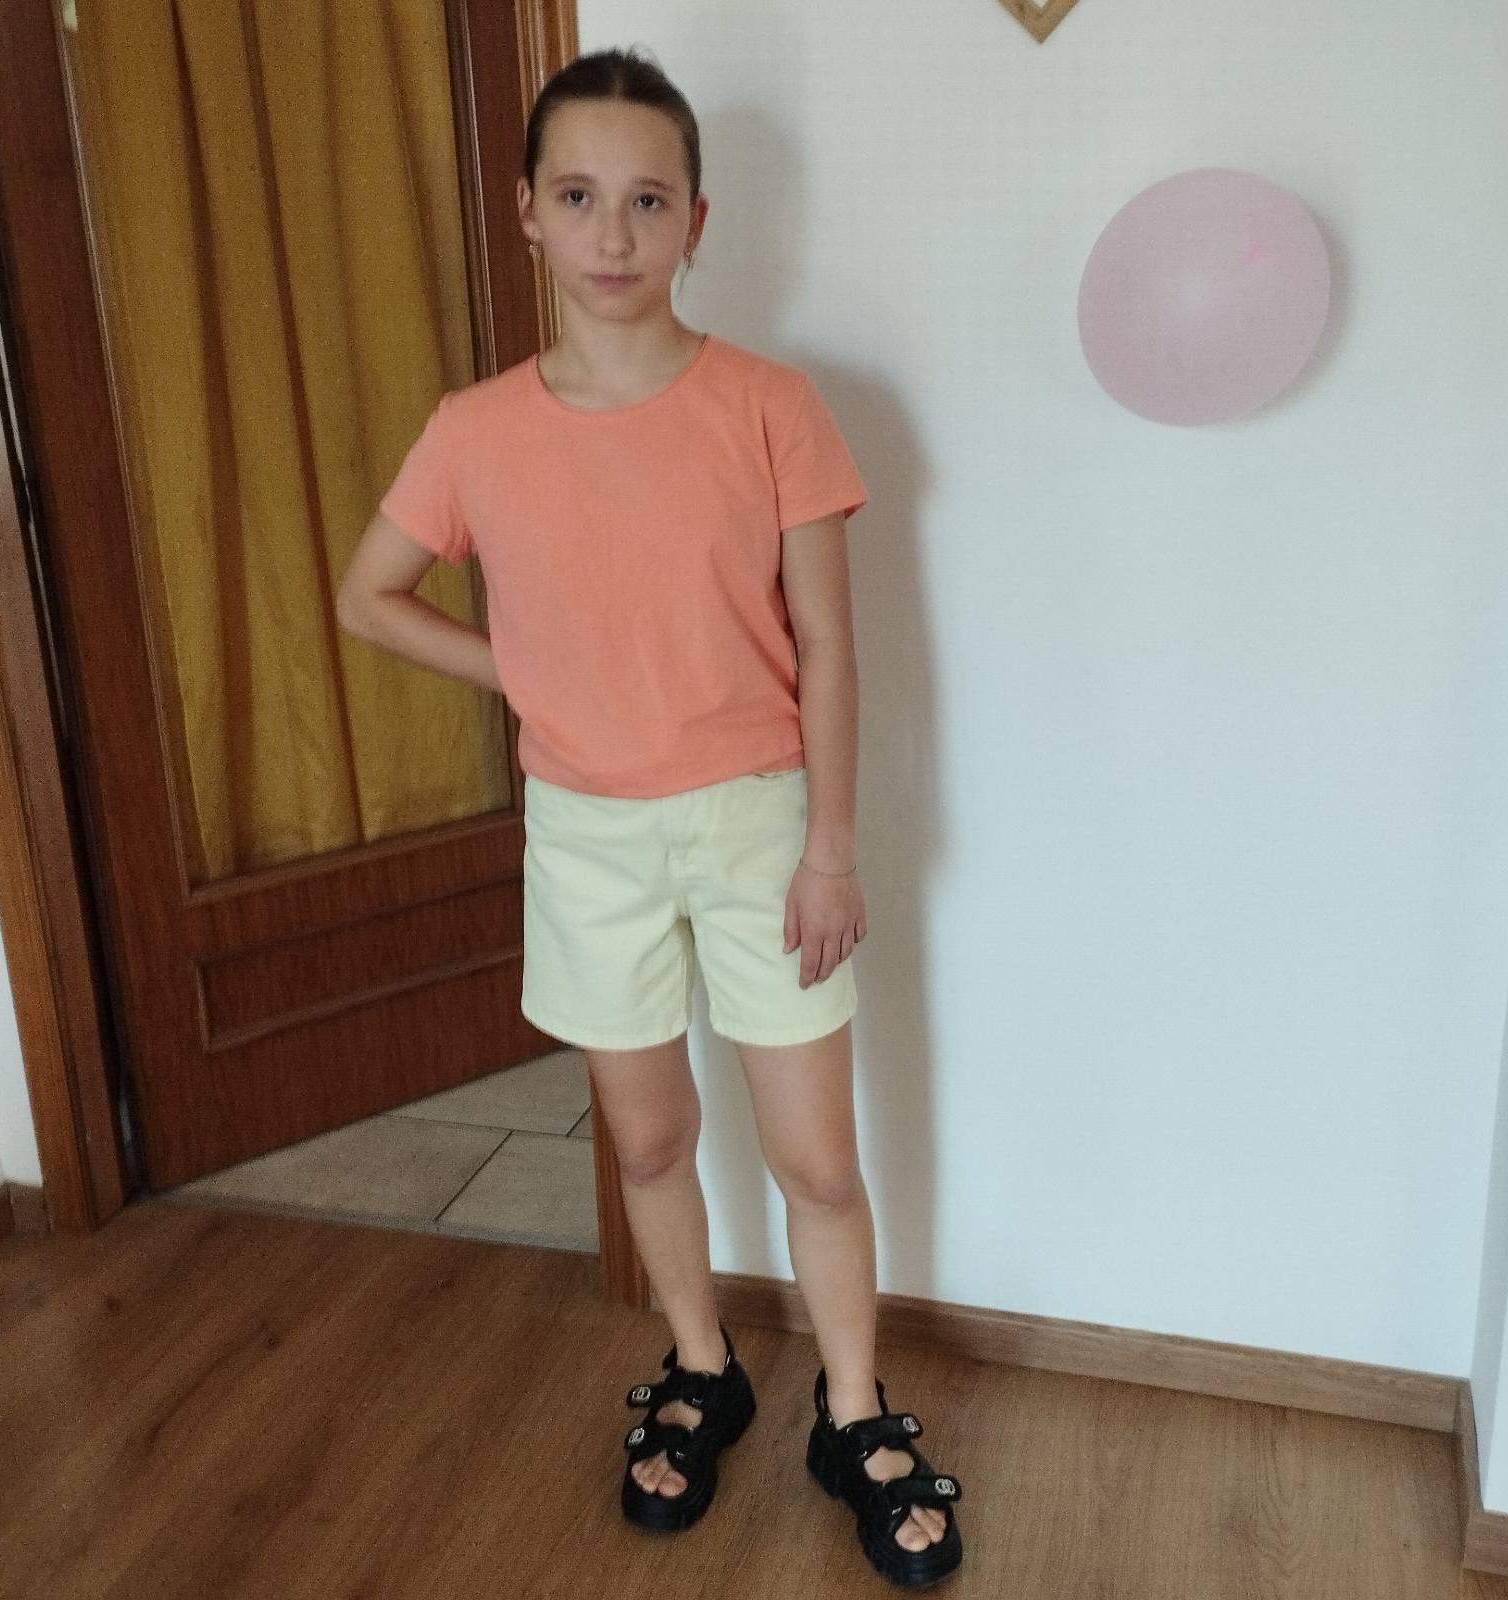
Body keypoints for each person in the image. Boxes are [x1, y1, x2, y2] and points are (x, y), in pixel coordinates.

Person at [336, 46, 964, 1589]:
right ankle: (700, 1364)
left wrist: (831, 848)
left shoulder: (769, 405)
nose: (612, 233)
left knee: (817, 1158)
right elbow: (370, 596)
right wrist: (527, 668)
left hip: (759, 824)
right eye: (577, 197)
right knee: (649, 1132)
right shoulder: (477, 428)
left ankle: (855, 1410)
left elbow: (830, 647)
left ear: (696, 219)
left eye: (646, 200)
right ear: (527, 215)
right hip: (589, 838)